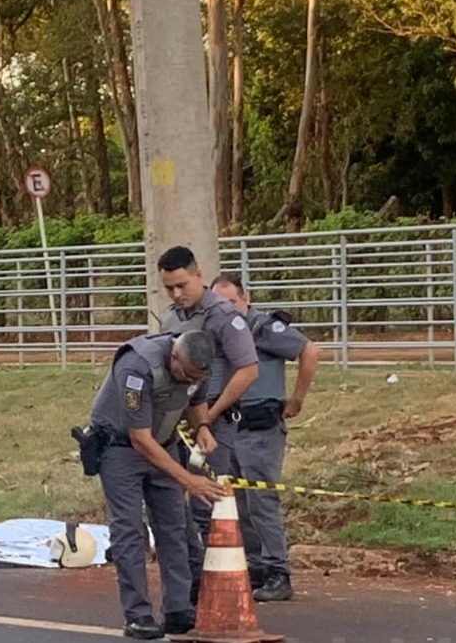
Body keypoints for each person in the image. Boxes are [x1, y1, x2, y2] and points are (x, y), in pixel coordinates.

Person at [88, 329, 230, 640]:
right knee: (128, 532)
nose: (188, 380)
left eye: (195, 376)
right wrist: (188, 480)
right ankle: (138, 615)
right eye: (185, 374)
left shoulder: (200, 366)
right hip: (121, 448)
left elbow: (196, 400)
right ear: (174, 355)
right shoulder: (137, 366)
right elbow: (140, 439)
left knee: (174, 528)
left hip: (164, 444)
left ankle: (178, 608)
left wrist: (203, 427)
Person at [155, 245, 259, 600]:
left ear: (198, 275)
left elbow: (248, 370)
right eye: (169, 288)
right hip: (175, 422)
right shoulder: (173, 317)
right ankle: (193, 575)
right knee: (173, 502)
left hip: (212, 420)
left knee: (206, 503)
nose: (176, 294)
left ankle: (220, 581)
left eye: (182, 285)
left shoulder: (223, 316)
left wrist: (208, 418)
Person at [211, 274, 321, 602]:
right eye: (220, 304)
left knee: (262, 501)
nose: (227, 309)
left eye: (232, 302)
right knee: (240, 502)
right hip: (232, 426)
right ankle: (256, 565)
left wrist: (297, 399)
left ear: (246, 300)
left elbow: (309, 351)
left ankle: (277, 571)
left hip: (260, 426)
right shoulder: (220, 331)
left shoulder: (262, 328)